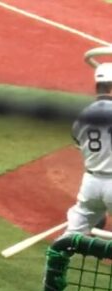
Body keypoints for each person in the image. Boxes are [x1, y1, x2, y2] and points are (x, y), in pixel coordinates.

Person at [62, 63, 112, 238]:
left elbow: (78, 141)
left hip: (91, 184)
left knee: (72, 235)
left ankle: (58, 253)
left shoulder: (83, 115)